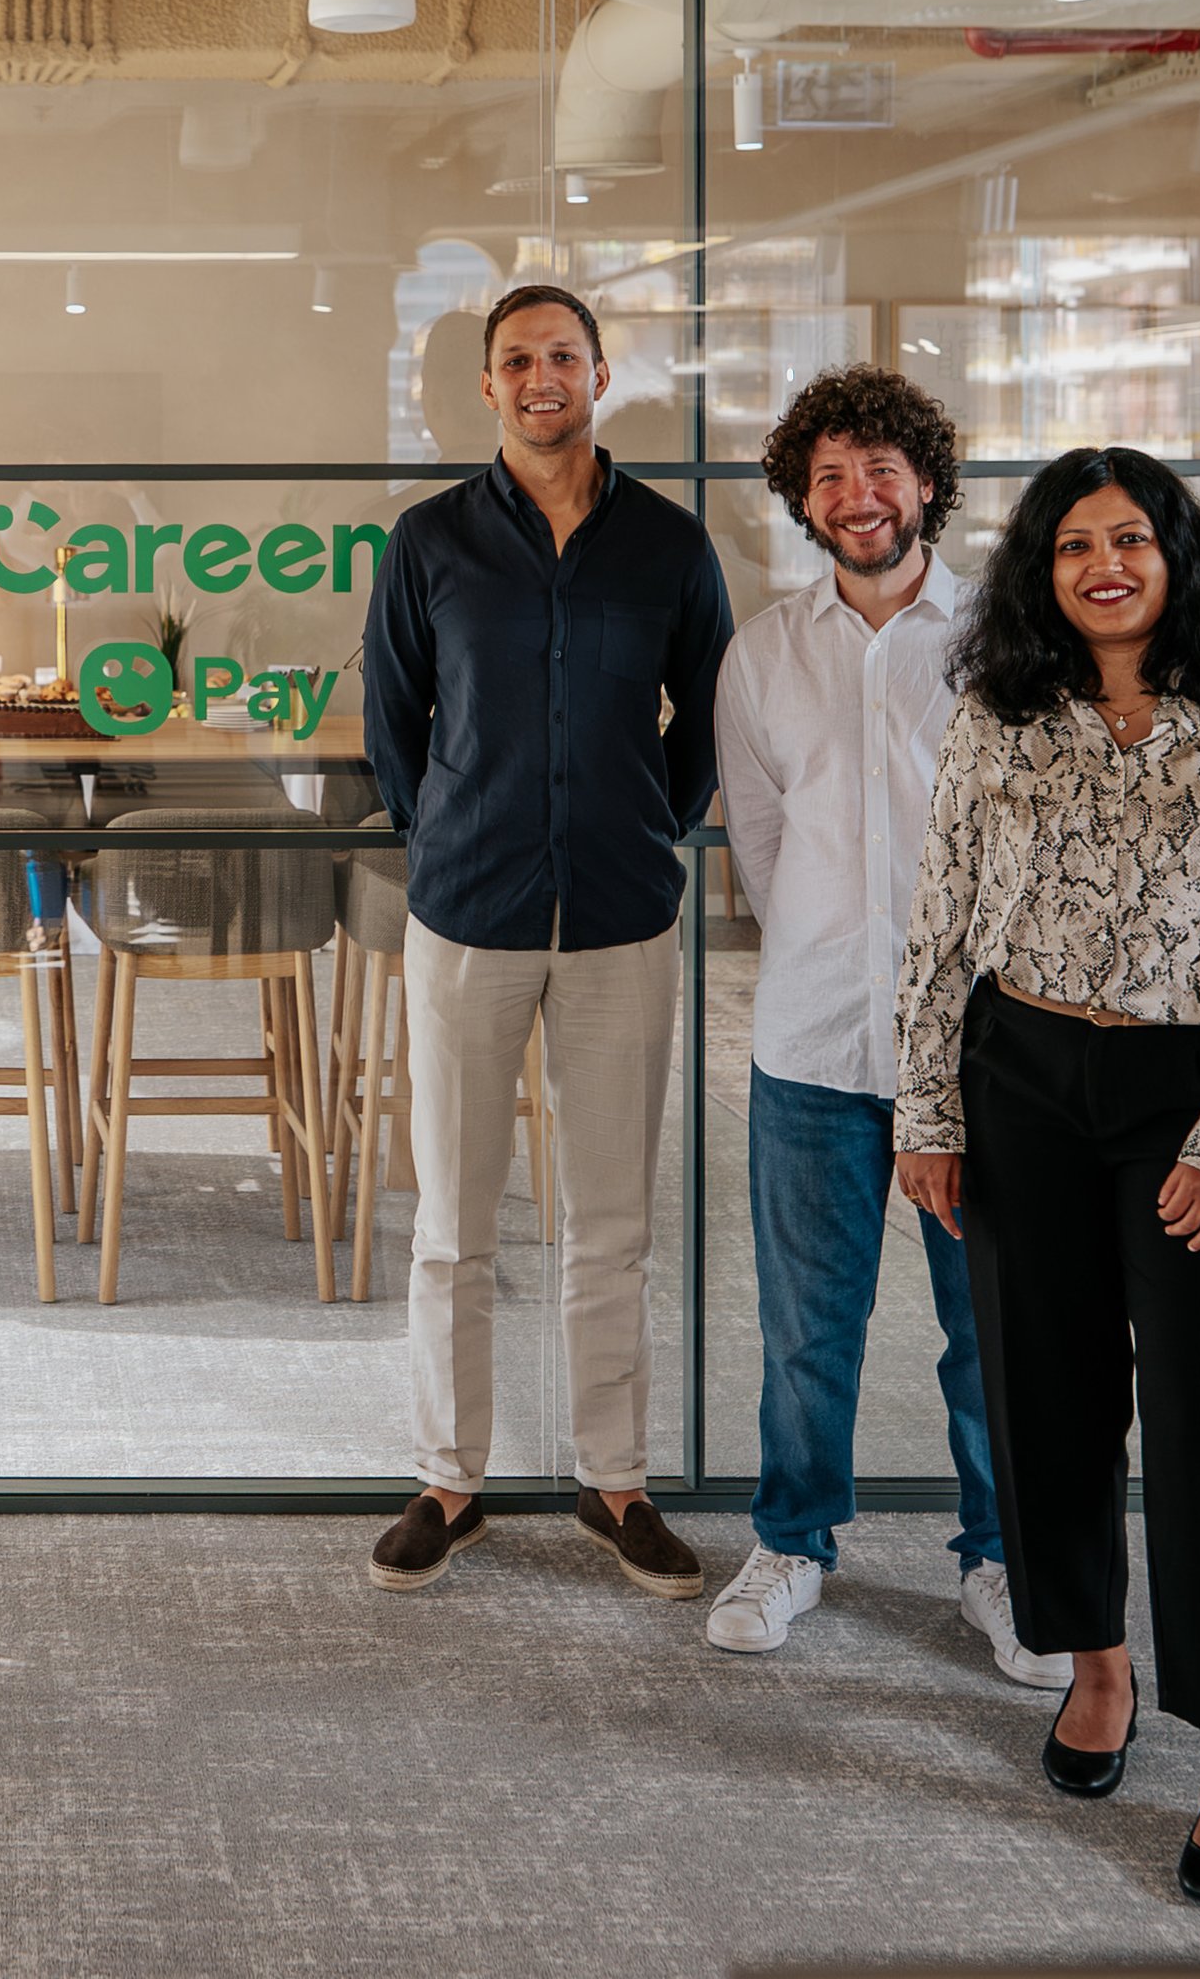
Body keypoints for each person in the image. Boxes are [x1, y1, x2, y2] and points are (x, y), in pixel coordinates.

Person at [890, 447, 1200, 1911]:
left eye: (1131, 537)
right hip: (1023, 1080)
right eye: (1073, 542)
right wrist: (931, 1109)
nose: (1104, 563)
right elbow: (941, 926)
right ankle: (1094, 1668)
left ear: (1177, 555)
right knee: (1045, 1393)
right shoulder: (997, 718)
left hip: (1191, 1090)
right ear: (1041, 570)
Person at [358, 283, 734, 1595]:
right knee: (455, 1219)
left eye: (561, 355)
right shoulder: (430, 544)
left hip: (623, 918)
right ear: (486, 386)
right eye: (517, 359)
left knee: (610, 1218)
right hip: (468, 914)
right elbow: (393, 725)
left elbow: (708, 730)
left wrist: (643, 825)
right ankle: (449, 1479)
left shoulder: (672, 548)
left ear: (599, 374)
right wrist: (454, 831)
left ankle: (613, 1480)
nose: (540, 376)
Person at [704, 367, 1057, 1685]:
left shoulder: (1006, 643)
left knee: (992, 1326)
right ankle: (792, 1543)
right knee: (807, 1322)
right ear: (805, 498)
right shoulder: (764, 654)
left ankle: (1003, 1560)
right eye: (831, 475)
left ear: (927, 484)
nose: (860, 496)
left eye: (882, 470)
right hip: (811, 1042)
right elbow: (761, 835)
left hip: (978, 1049)